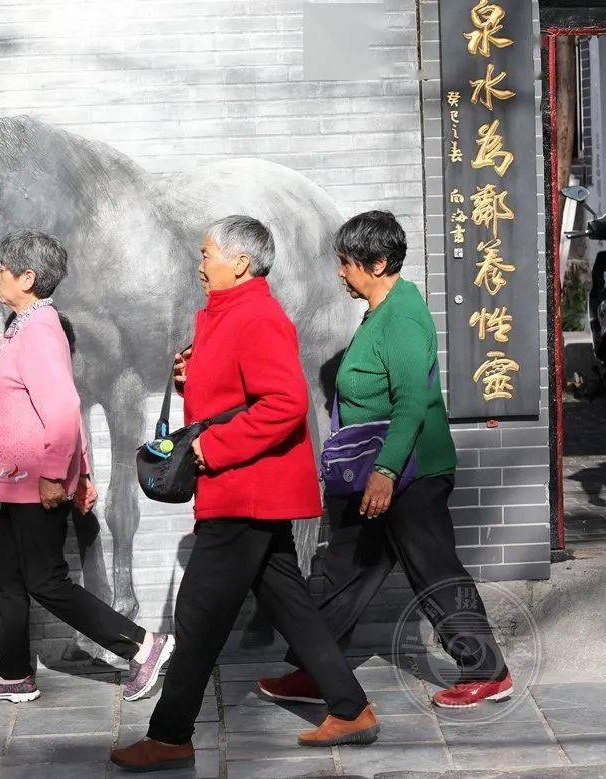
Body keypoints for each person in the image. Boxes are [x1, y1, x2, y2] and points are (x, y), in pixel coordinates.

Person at [112, 216, 379, 772]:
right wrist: (193, 376)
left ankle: (170, 736)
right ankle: (351, 709)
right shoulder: (224, 314)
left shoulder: (258, 316)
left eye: (207, 253)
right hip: (247, 492)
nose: (200, 262)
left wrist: (215, 447)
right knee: (291, 605)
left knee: (198, 613)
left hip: (246, 491)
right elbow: (236, 388)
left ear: (240, 261)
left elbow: (284, 403)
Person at [258, 210, 512, 709]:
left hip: (409, 473)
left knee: (433, 571)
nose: (339, 272)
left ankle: (488, 672)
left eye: (346, 262)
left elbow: (412, 403)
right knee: (345, 572)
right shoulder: (380, 312)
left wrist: (386, 472)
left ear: (376, 264)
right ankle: (317, 670)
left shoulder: (402, 316)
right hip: (373, 473)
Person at [0, 229, 174, 704]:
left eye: (3, 269)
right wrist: (82, 471)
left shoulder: (39, 330)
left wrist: (61, 476)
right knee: (5, 577)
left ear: (28, 277)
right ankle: (14, 675)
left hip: (38, 484)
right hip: (17, 485)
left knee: (47, 583)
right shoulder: (23, 325)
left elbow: (61, 409)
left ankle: (145, 647)